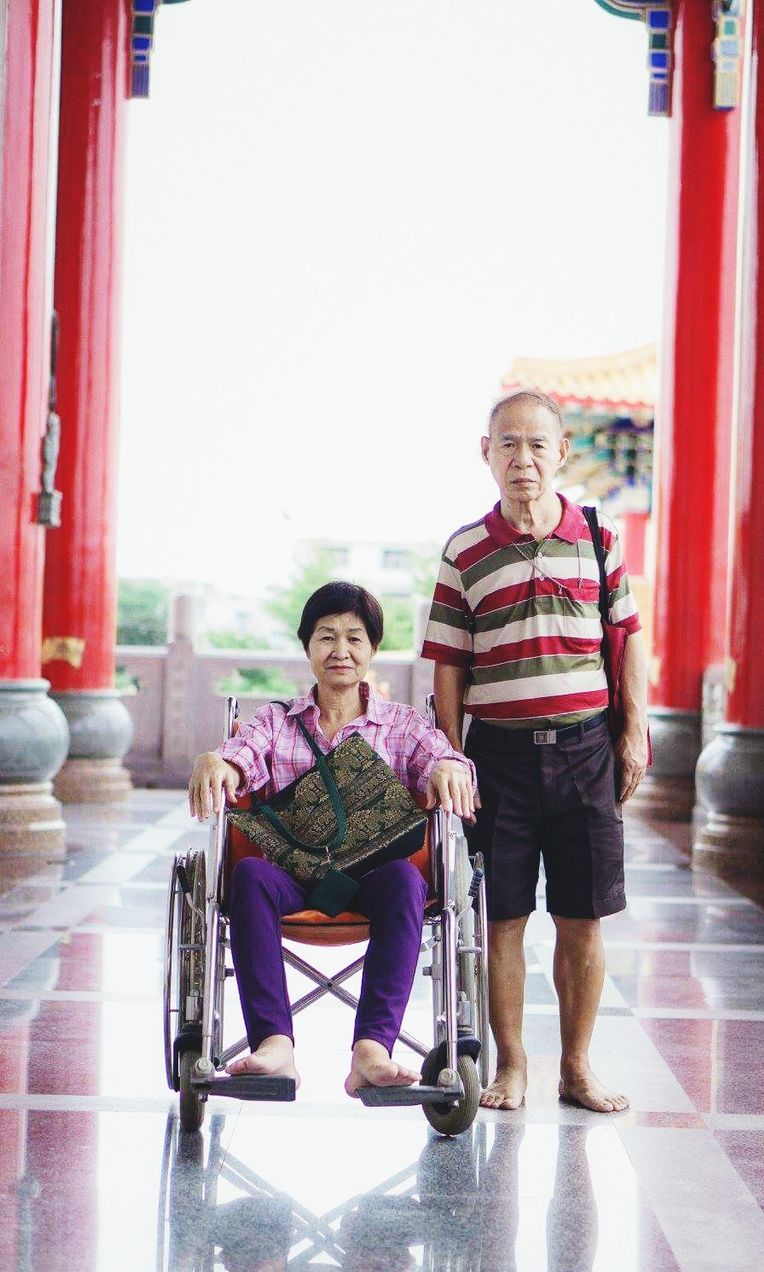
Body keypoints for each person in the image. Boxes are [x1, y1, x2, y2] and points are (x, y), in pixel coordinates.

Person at [421, 390, 648, 1113]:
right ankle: (511, 1065)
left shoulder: (597, 534)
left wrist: (634, 728)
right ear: (484, 451)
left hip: (586, 753)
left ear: (562, 454)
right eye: (507, 444)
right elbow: (449, 666)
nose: (522, 459)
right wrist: (453, 758)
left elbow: (628, 635)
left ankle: (576, 1068)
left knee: (583, 919)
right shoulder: (464, 550)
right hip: (500, 762)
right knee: (502, 920)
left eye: (537, 445)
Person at [189, 581, 476, 1097]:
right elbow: (238, 757)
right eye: (326, 637)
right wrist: (218, 762)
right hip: (295, 878)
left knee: (407, 883)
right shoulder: (276, 722)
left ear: (372, 651)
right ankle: (275, 1044)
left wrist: (449, 768)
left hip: (368, 880)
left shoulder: (401, 725)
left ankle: (371, 1050)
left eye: (354, 638)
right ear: (307, 648)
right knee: (250, 874)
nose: (340, 651)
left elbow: (443, 756)